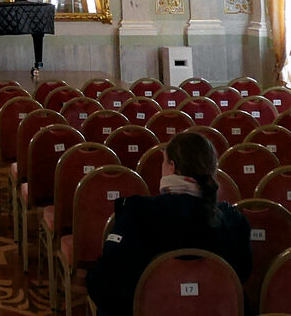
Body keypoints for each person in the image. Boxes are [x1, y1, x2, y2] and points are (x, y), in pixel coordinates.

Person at [86, 131, 251, 313]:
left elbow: (105, 285)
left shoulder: (139, 214)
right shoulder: (233, 220)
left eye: (163, 162)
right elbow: (241, 274)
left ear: (172, 167)